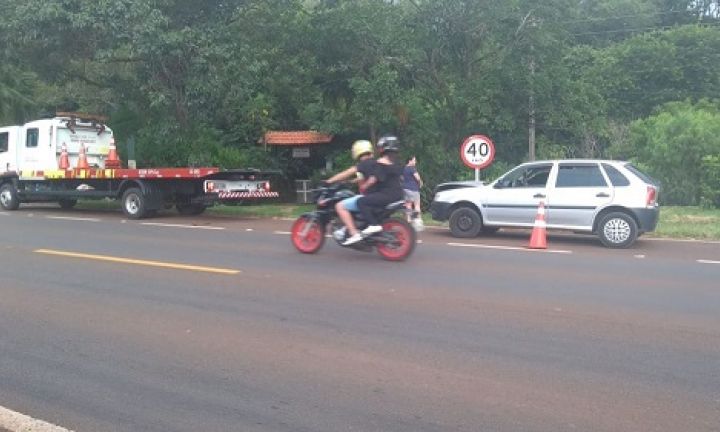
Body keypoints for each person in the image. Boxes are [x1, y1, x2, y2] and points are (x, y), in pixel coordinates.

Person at [344, 135, 404, 245]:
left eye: (380, 147)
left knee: (361, 201)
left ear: (384, 148)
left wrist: (364, 186)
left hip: (386, 195)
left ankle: (373, 225)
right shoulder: (396, 162)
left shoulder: (381, 161)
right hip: (398, 194)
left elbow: (373, 179)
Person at [325, 140, 375, 243]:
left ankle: (354, 233)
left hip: (367, 197)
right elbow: (364, 177)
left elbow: (346, 173)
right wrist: (352, 181)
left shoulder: (362, 165)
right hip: (379, 197)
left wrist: (330, 180)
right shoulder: (376, 163)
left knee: (339, 206)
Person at [402, 155, 424, 230]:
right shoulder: (412, 168)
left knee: (408, 205)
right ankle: (418, 221)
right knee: (417, 205)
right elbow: (417, 177)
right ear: (410, 161)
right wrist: (420, 182)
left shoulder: (404, 169)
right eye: (414, 160)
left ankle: (408, 221)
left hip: (405, 189)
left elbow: (402, 178)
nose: (415, 162)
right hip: (414, 189)